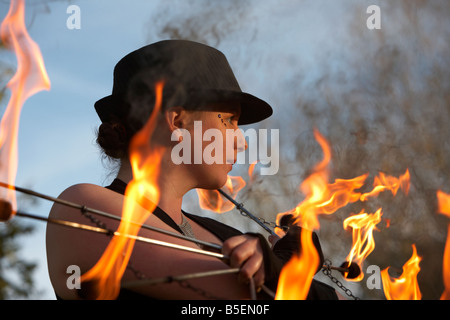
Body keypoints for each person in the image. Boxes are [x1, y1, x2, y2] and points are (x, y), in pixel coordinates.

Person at [46, 40, 338, 300]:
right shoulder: (79, 207)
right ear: (178, 121)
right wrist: (291, 265)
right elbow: (241, 295)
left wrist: (285, 266)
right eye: (230, 120)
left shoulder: (223, 233)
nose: (240, 141)